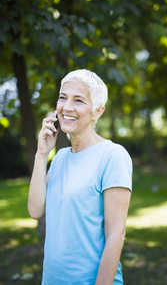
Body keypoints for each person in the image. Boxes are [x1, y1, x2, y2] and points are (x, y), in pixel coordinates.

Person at [28, 69, 133, 285]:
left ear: (97, 111)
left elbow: (116, 235)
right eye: (63, 97)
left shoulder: (112, 156)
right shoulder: (59, 158)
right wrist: (41, 155)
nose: (67, 107)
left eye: (78, 100)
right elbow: (36, 210)